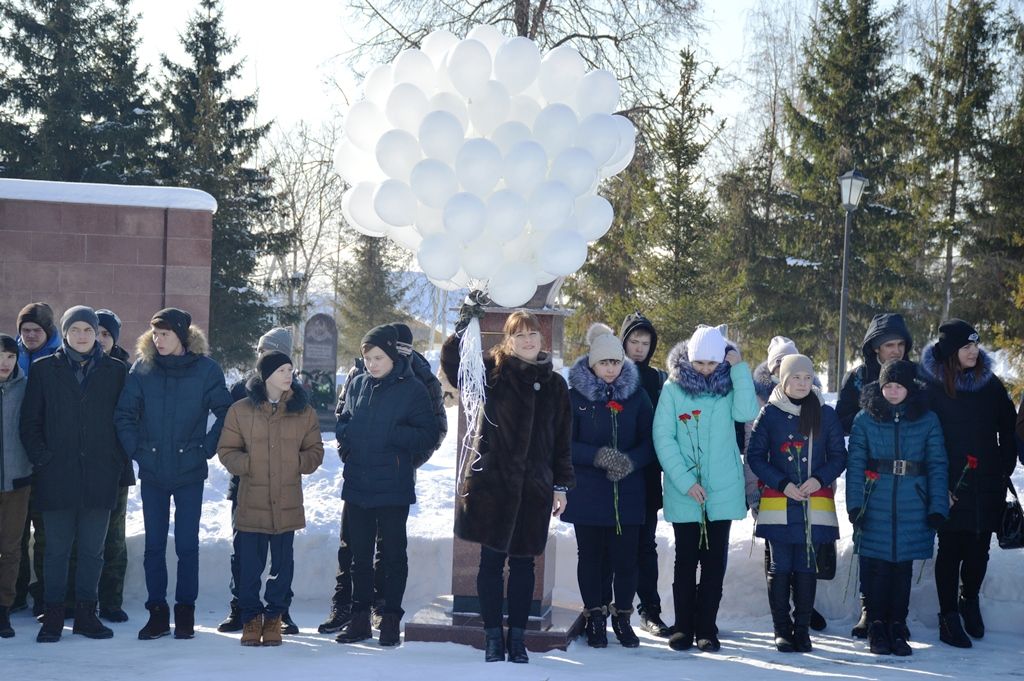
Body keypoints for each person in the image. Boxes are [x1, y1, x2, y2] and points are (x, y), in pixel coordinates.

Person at [439, 306, 574, 664]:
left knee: (525, 564)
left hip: (534, 488)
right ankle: (492, 636)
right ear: (508, 340)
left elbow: (563, 441)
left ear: (541, 338)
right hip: (493, 484)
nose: (527, 340)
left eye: (532, 334)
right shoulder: (492, 372)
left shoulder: (556, 385)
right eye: (519, 334)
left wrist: (560, 485)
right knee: (490, 562)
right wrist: (462, 329)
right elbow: (455, 369)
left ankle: (517, 637)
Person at [317, 322, 448, 635]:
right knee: (356, 555)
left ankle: (388, 616)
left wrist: (398, 454)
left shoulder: (416, 385)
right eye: (368, 357)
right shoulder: (358, 381)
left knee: (391, 554)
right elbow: (343, 420)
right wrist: (350, 447)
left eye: (379, 357)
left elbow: (430, 432)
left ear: (394, 355)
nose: (373, 363)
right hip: (358, 482)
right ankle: (357, 617)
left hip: (393, 482)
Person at [114, 307, 233, 641]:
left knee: (186, 545)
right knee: (154, 545)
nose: (158, 339)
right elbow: (124, 414)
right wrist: (137, 451)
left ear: (181, 336)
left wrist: (205, 448)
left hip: (189, 471)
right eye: (155, 333)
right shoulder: (143, 368)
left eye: (165, 334)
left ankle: (185, 614)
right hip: (152, 470)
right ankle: (156, 613)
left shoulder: (206, 370)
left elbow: (225, 412)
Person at [19, 306, 128, 642]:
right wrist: (43, 459)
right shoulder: (43, 369)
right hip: (57, 474)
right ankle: (53, 615)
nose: (82, 335)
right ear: (64, 332)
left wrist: (114, 461)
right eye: (76, 329)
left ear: (97, 333)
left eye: (89, 329)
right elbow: (30, 423)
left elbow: (125, 421)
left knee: (93, 550)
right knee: (56, 549)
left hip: (99, 474)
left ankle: (85, 614)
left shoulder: (116, 371)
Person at [652, 324, 758, 652]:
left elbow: (747, 412)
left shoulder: (730, 387)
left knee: (714, 563)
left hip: (722, 488)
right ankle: (683, 625)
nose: (706, 369)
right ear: (690, 358)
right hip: (686, 490)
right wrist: (685, 481)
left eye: (712, 363)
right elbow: (663, 436)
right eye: (700, 363)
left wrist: (739, 368)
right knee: (685, 561)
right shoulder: (673, 388)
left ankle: (706, 627)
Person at [919, 320, 1017, 648]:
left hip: (988, 480)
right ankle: (947, 616)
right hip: (949, 482)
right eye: (966, 346)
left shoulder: (990, 385)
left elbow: (1009, 426)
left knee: (979, 548)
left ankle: (969, 600)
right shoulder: (931, 388)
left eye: (976, 345)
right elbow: (925, 438)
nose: (974, 351)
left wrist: (1003, 467)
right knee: (950, 549)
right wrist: (937, 483)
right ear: (950, 352)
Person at [217, 351, 324, 647]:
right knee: (249, 566)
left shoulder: (304, 411)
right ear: (265, 376)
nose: (288, 375)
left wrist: (294, 463)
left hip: (286, 500)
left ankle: (275, 617)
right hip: (251, 499)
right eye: (281, 370)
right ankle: (251, 619)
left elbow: (315, 451)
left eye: (290, 369)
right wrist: (250, 465)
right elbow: (227, 450)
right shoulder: (241, 410)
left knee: (281, 566)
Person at [847, 360, 948, 656]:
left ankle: (896, 625)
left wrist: (936, 505)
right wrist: (855, 504)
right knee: (877, 567)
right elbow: (855, 464)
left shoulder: (927, 420)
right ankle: (876, 626)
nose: (892, 392)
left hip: (912, 503)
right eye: (887, 386)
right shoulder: (864, 419)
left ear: (909, 388)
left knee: (902, 568)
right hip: (874, 501)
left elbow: (938, 463)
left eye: (898, 386)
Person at [746, 354, 846, 653]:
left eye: (806, 377)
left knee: (805, 565)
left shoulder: (824, 414)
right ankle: (782, 629)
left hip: (814, 500)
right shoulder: (770, 414)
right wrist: (782, 483)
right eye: (795, 378)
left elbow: (840, 456)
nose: (802, 383)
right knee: (780, 565)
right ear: (783, 380)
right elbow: (755, 457)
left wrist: (819, 479)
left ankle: (802, 629)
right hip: (780, 498)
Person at [564, 323, 654, 649]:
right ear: (592, 363)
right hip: (588, 491)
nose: (610, 369)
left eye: (615, 362)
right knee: (591, 557)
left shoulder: (638, 395)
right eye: (604, 363)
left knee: (625, 561)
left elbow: (650, 441)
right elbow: (565, 445)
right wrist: (599, 456)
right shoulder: (575, 397)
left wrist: (629, 462)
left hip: (627, 492)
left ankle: (622, 617)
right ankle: (596, 617)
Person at [834, 312, 914, 638]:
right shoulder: (858, 377)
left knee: (903, 542)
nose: (895, 350)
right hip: (869, 471)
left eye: (899, 344)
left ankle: (898, 615)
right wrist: (874, 411)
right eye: (888, 345)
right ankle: (869, 609)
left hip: (908, 474)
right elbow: (842, 419)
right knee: (869, 541)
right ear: (875, 349)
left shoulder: (917, 377)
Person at [617, 311, 670, 637]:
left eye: (645, 343)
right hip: (610, 473)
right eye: (633, 341)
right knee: (610, 546)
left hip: (646, 472)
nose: (638, 348)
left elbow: (663, 428)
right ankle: (606, 607)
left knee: (644, 545)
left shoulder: (657, 380)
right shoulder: (608, 372)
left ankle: (649, 610)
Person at [13, 302, 62, 616]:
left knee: (46, 533)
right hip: (15, 460)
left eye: (36, 330)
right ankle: (14, 593)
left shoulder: (59, 359)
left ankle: (45, 594)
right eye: (25, 330)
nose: (30, 335)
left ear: (48, 331)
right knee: (15, 533)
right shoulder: (9, 356)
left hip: (48, 461)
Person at [0, 334, 31, 638]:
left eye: (10, 356)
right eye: (0, 356)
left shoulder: (26, 388)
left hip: (18, 482)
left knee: (10, 549)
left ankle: (3, 608)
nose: (5, 363)